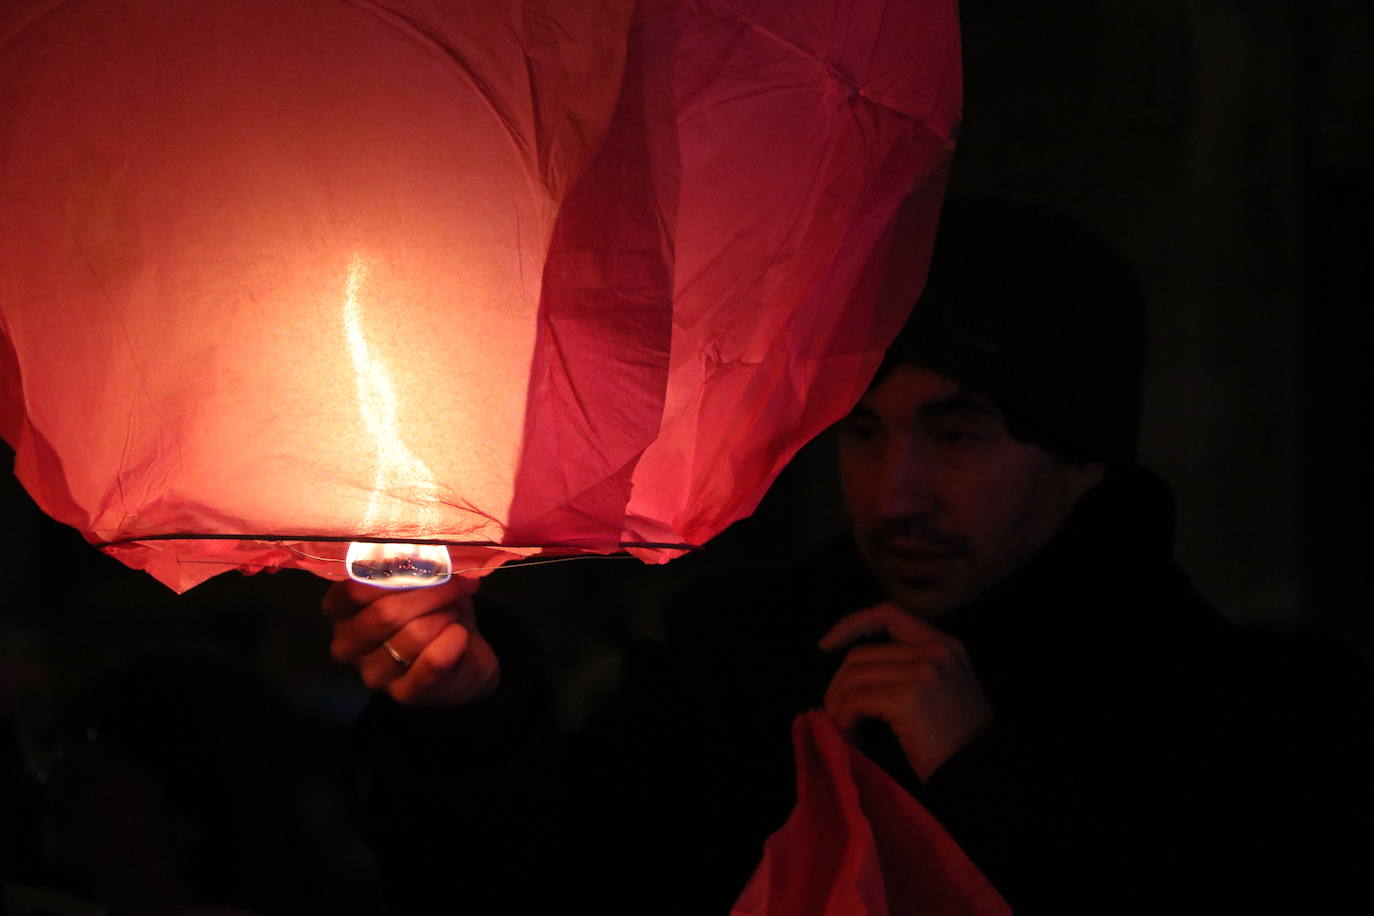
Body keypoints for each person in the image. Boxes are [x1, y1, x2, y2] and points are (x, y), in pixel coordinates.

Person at [324, 200, 1374, 914]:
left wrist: (982, 782)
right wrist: (471, 714)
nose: (896, 491)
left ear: (1083, 457)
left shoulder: (1232, 716)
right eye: (863, 433)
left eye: (956, 434)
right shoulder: (748, 660)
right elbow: (550, 885)